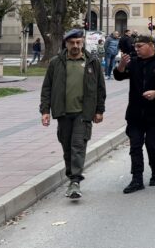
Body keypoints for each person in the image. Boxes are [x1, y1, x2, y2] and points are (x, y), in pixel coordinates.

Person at [39, 29, 106, 200]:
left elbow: (100, 88)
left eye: (78, 42)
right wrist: (45, 111)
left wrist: (99, 110)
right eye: (72, 43)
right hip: (62, 112)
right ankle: (72, 177)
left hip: (83, 114)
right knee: (67, 147)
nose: (75, 46)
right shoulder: (56, 63)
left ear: (82, 43)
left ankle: (75, 181)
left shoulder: (92, 62)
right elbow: (47, 88)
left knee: (78, 146)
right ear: (66, 44)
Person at [112, 35, 155, 194]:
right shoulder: (133, 62)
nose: (136, 49)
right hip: (135, 113)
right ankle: (137, 179)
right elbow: (119, 76)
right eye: (135, 46)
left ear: (151, 45)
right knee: (135, 146)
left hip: (154, 113)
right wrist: (121, 65)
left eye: (140, 46)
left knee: (151, 144)